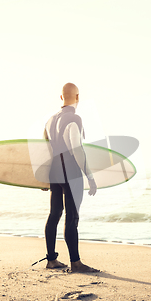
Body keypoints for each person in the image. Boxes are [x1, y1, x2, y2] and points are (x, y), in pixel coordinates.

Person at [43, 82, 99, 273]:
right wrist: (90, 177)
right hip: (71, 173)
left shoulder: (50, 121)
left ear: (61, 97)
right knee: (72, 217)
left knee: (54, 214)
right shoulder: (74, 118)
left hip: (54, 172)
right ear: (77, 97)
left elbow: (45, 149)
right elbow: (77, 149)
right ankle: (75, 263)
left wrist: (43, 177)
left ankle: (51, 260)